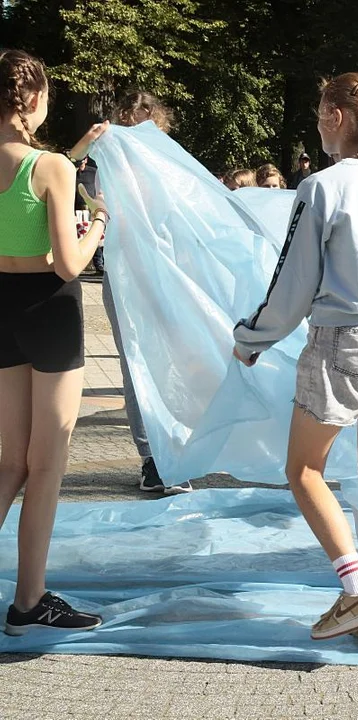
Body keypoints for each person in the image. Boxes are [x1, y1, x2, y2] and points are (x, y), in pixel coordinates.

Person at [232, 72, 358, 652]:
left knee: (303, 470)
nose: (317, 122)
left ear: (340, 116)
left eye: (321, 111)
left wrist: (252, 337)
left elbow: (293, 283)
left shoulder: (322, 187)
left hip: (346, 341)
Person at [0, 48, 107, 634]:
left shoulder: (47, 164)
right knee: (47, 463)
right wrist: (99, 229)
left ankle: (28, 599)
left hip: (2, 307)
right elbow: (69, 265)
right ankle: (28, 602)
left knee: (9, 461)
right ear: (35, 98)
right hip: (49, 309)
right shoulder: (52, 168)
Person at [67, 91, 194, 494]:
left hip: (164, 274)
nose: (135, 133)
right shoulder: (105, 162)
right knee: (136, 365)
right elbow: (69, 177)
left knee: (169, 364)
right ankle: (153, 458)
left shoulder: (167, 165)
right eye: (128, 124)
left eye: (144, 126)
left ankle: (174, 451)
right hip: (124, 274)